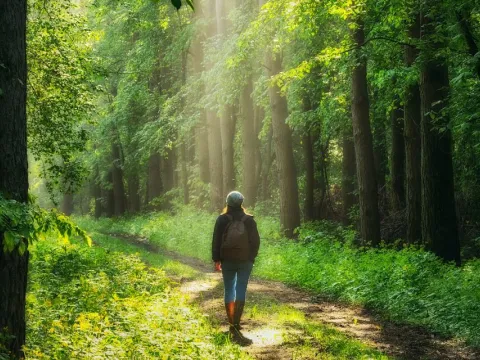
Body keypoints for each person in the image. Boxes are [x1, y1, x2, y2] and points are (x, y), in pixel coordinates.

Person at [212, 191, 260, 345]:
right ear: (241, 203)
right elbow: (255, 241)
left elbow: (216, 240)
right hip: (245, 260)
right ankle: (237, 322)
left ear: (227, 203)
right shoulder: (249, 220)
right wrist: (251, 258)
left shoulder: (222, 219)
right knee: (241, 288)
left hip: (227, 260)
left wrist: (217, 259)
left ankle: (231, 323)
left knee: (229, 289)